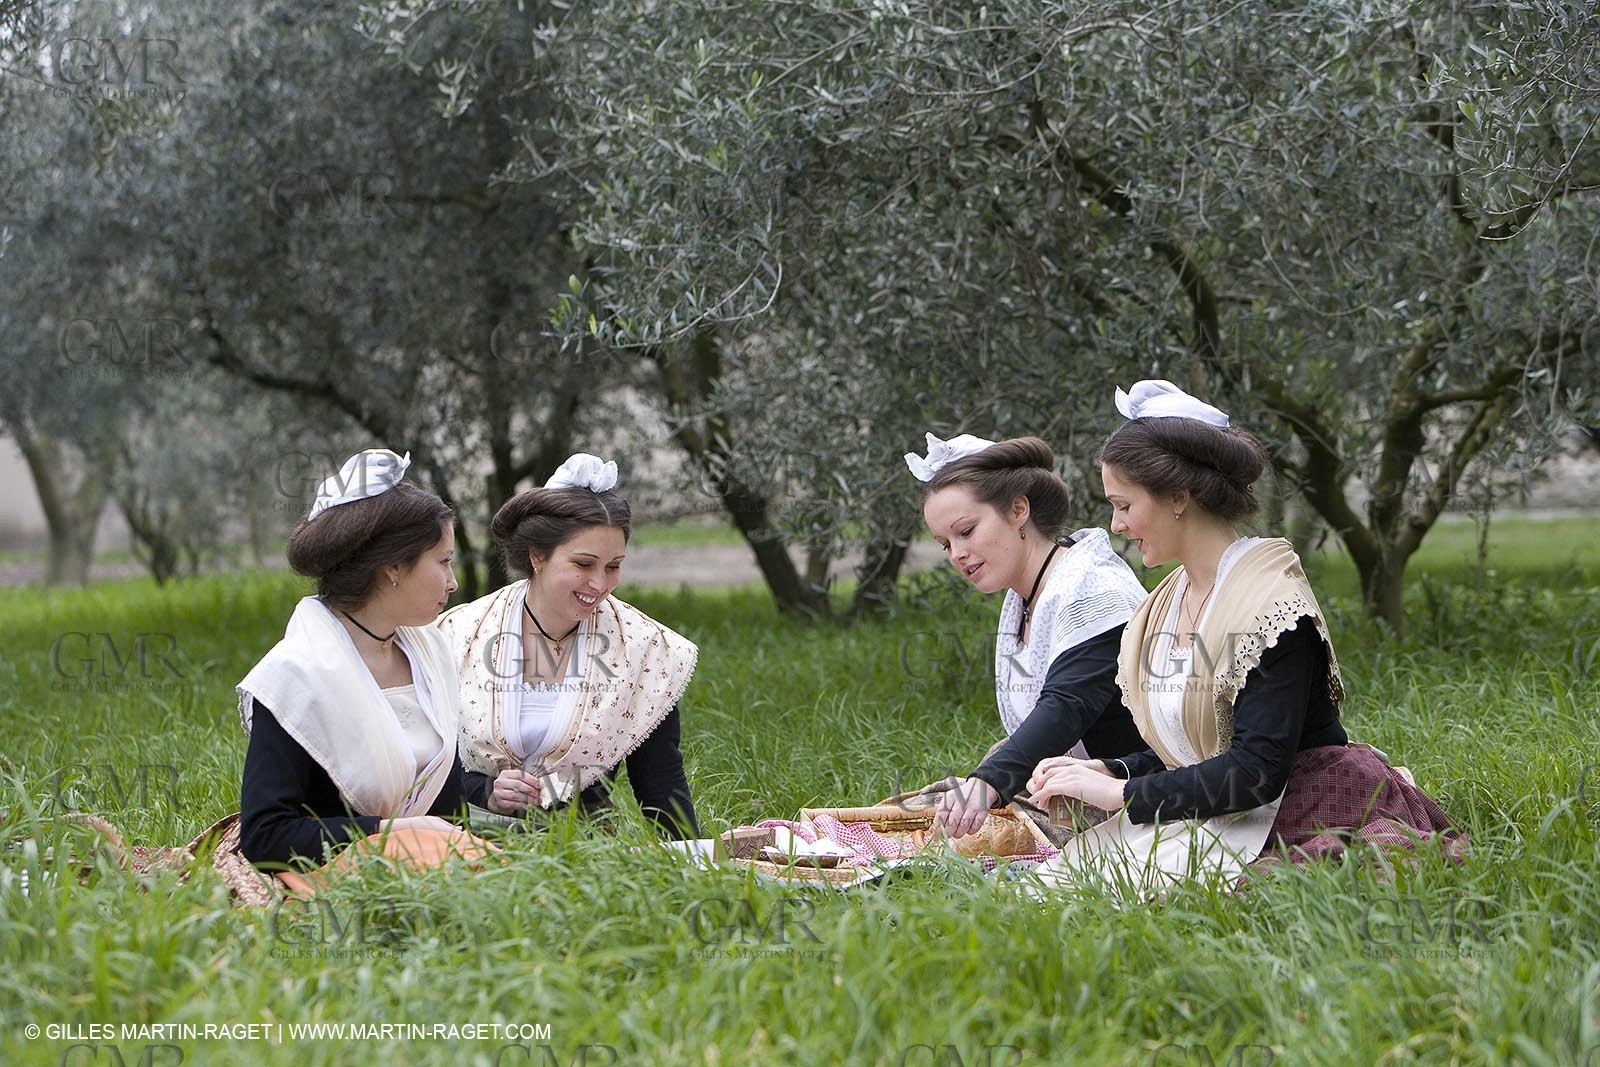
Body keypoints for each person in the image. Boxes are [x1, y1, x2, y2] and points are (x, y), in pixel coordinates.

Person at [1025, 381, 1463, 892]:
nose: (1116, 524)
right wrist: (1110, 768)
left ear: (1178, 498)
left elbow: (1255, 771)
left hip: (1302, 806)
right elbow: (1197, 749)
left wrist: (1119, 794)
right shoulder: (1166, 604)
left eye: (1123, 505)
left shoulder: (1271, 606)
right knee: (1049, 886)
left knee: (1120, 892)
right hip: (1220, 810)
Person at [238, 449, 485, 873]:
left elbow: (441, 802)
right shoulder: (296, 677)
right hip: (337, 875)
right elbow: (266, 836)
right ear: (392, 567)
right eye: (443, 562)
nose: (453, 581)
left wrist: (492, 796)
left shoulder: (430, 654)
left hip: (437, 864)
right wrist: (396, 835)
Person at [900, 433, 1149, 840]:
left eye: (966, 531)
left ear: (1018, 510)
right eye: (945, 543)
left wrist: (988, 783)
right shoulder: (1027, 598)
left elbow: (1067, 705)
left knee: (954, 837)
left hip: (1125, 794)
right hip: (1057, 785)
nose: (957, 554)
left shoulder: (1094, 589)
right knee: (916, 815)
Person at [439, 453, 700, 839]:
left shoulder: (644, 648)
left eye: (613, 566)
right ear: (537, 556)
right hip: (465, 841)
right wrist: (485, 792)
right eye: (584, 564)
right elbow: (422, 767)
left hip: (584, 853)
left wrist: (695, 867)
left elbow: (660, 780)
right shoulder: (459, 633)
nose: (600, 584)